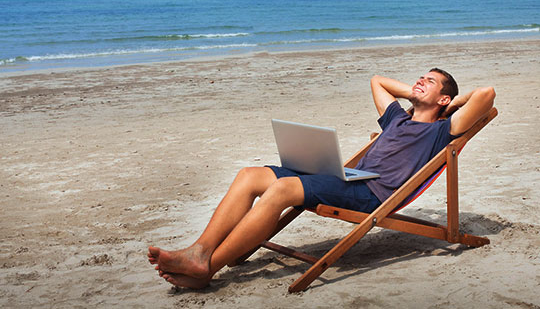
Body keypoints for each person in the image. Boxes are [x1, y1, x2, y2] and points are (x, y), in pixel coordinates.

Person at [147, 68, 496, 289]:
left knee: (284, 188)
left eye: (429, 81)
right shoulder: (397, 119)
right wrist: (418, 94)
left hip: (373, 194)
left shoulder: (441, 131)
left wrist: (446, 105)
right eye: (420, 77)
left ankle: (208, 268)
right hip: (347, 178)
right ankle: (200, 251)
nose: (420, 81)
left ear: (445, 98)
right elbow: (377, 79)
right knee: (250, 175)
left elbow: (486, 95)